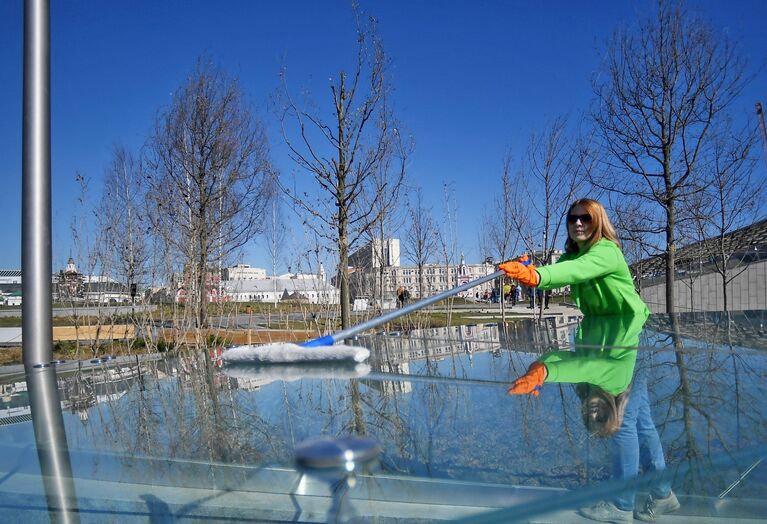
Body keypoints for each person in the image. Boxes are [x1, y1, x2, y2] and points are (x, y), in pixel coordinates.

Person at [509, 313, 679, 523]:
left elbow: (586, 366)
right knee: (641, 423)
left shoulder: (603, 299)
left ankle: (622, 505)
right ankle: (662, 493)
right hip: (631, 342)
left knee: (621, 424)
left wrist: (546, 371)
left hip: (619, 347)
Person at [499, 198, 648, 317]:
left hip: (630, 324)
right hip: (598, 325)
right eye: (572, 219)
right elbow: (556, 272)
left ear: (599, 222)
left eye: (586, 218)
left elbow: (576, 268)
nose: (578, 223)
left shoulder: (608, 251)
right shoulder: (572, 256)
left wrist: (534, 275)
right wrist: (531, 269)